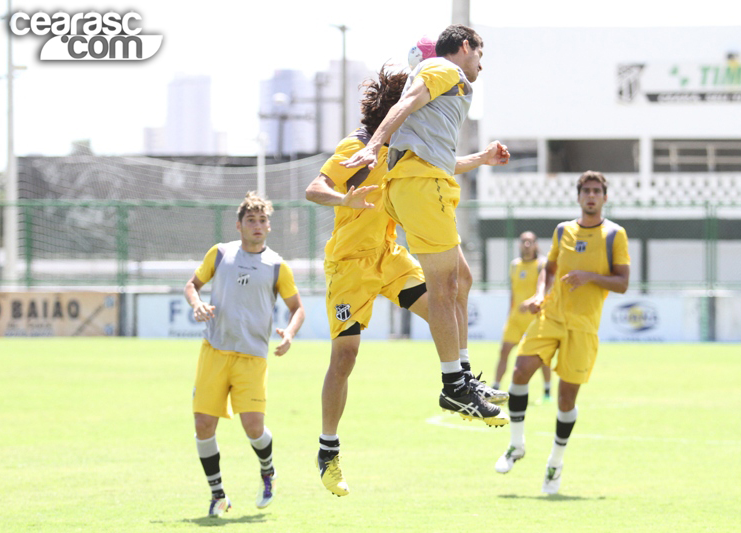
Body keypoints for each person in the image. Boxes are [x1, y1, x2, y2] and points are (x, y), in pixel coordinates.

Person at [305, 64, 509, 497]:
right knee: (345, 357)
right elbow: (314, 188)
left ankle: (461, 381)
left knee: (447, 296)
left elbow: (445, 162)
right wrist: (346, 198)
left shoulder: (404, 149)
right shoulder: (355, 147)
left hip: (390, 257)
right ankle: (328, 451)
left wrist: (484, 159)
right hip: (350, 267)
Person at [341, 25, 511, 427]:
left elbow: (435, 154)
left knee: (461, 280)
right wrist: (372, 145)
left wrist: (481, 158)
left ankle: (463, 374)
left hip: (418, 183)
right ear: (464, 46)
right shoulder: (443, 70)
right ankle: (455, 385)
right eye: (479, 55)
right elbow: (405, 105)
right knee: (444, 285)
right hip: (422, 187)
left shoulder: (443, 88)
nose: (481, 65)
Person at [493, 171, 630, 496]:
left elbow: (623, 282)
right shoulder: (562, 230)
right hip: (551, 316)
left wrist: (589, 276)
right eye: (587, 191)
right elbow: (549, 270)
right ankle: (516, 445)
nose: (591, 196)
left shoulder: (615, 235)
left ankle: (555, 463)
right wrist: (541, 294)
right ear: (579, 196)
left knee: (567, 400)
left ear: (605, 198)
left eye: (597, 191)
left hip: (583, 326)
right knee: (520, 371)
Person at [183, 192, 305, 517]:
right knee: (203, 425)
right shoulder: (220, 254)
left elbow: (298, 309)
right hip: (215, 352)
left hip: (252, 358)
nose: (257, 225)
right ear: (239, 225)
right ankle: (218, 495)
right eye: (251, 220)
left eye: (263, 220)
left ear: (268, 226)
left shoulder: (277, 265)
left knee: (253, 427)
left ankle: (268, 472)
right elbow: (192, 285)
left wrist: (290, 333)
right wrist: (197, 305)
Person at [492, 231, 552, 403]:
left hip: (535, 318)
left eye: (530, 242)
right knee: (504, 351)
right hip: (515, 319)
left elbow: (546, 291)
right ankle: (495, 389)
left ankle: (547, 392)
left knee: (541, 357)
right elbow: (513, 292)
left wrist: (531, 302)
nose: (527, 245)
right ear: (519, 244)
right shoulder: (515, 265)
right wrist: (509, 313)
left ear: (536, 244)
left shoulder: (541, 265)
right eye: (524, 241)